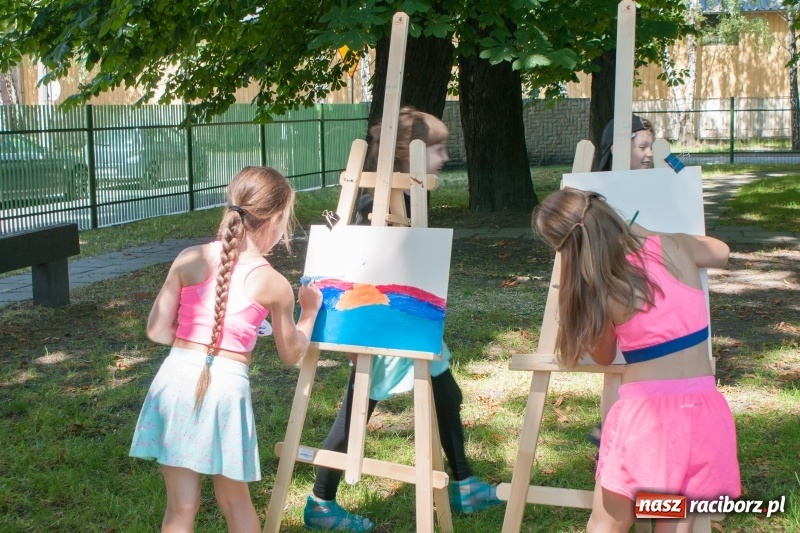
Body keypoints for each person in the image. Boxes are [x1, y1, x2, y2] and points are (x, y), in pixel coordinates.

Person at [304, 107, 501, 533]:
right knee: (357, 409)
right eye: (438, 149)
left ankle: (464, 482)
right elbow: (366, 265)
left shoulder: (408, 196)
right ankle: (321, 500)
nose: (444, 158)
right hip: (383, 325)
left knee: (446, 396)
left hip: (409, 323)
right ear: (408, 155)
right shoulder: (376, 201)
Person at [532, 188, 741, 532]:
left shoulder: (604, 287)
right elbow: (722, 251)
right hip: (704, 414)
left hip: (648, 420)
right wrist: (655, 235)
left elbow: (603, 356)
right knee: (673, 521)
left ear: (568, 249)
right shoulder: (677, 246)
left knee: (609, 521)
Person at [130, 166, 322, 532]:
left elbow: (156, 330)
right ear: (276, 218)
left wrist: (200, 344)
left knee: (180, 507)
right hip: (226, 389)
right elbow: (291, 353)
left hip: (175, 378)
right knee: (236, 502)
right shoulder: (273, 283)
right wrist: (309, 311)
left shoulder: (189, 258)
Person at [587, 113, 656, 448]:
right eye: (642, 145)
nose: (649, 153)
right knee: (615, 369)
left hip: (646, 297)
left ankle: (617, 438)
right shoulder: (596, 197)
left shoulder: (656, 190)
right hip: (614, 296)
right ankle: (609, 438)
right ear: (617, 148)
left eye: (651, 147)